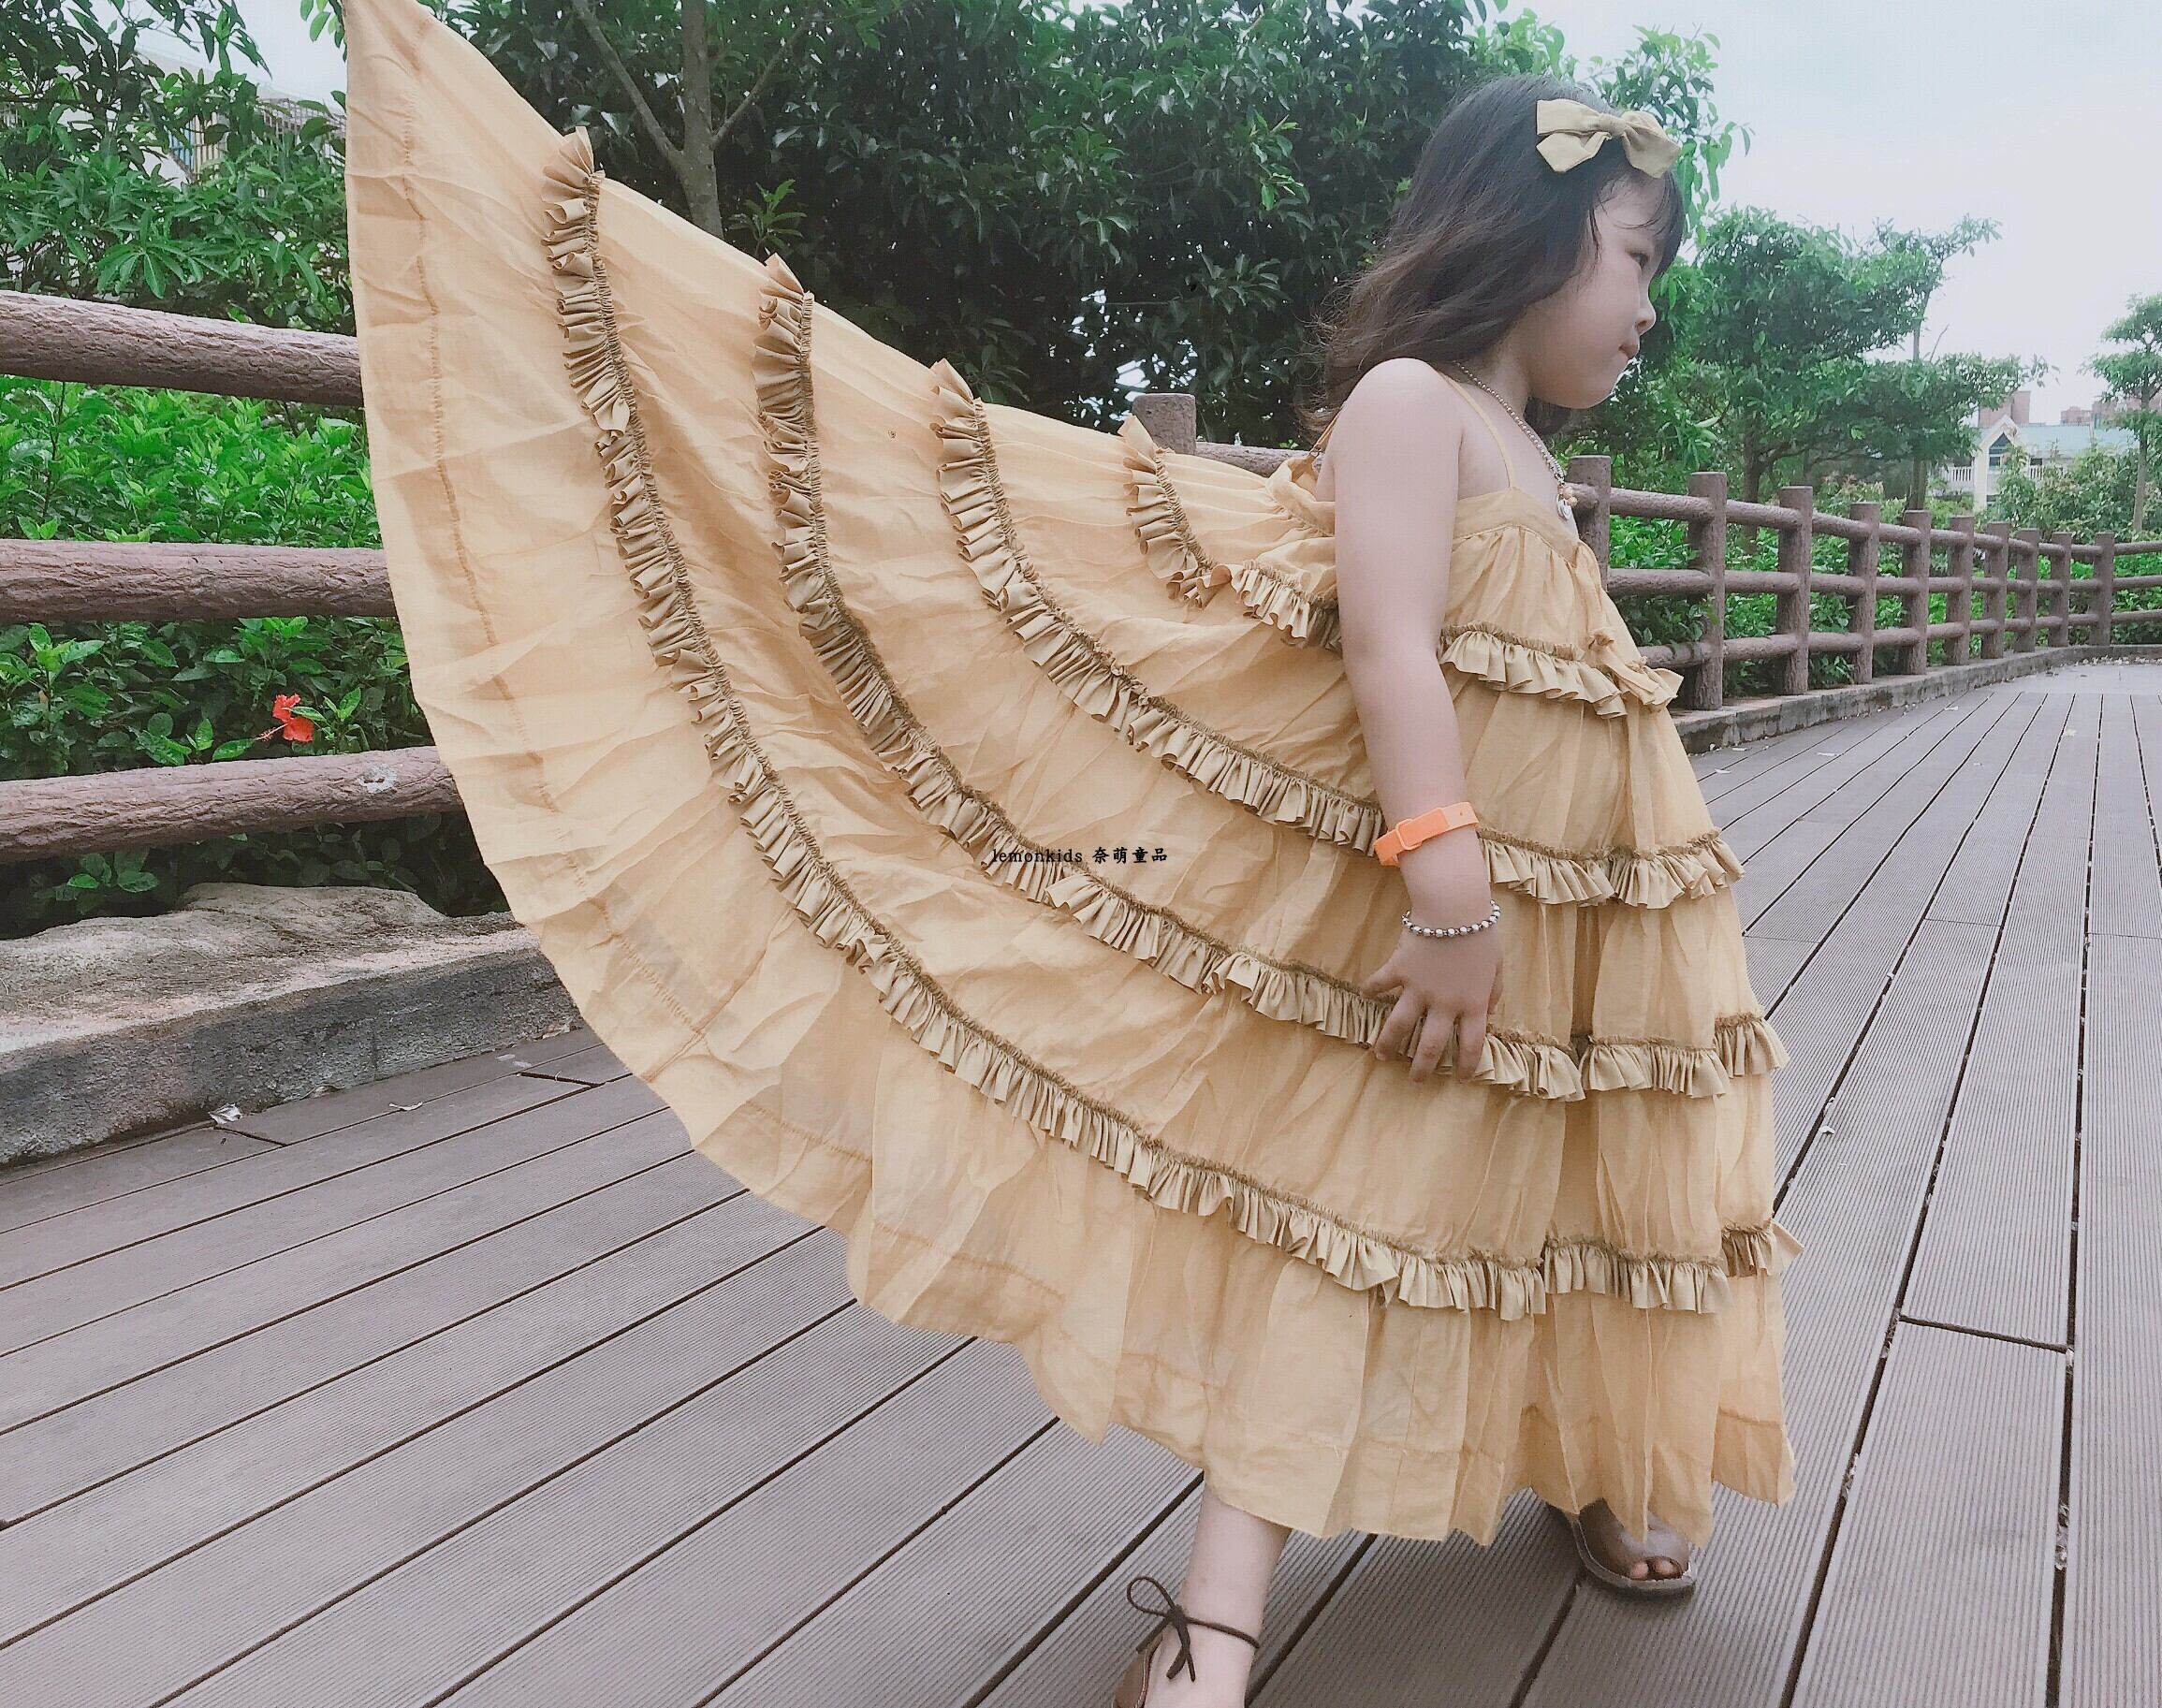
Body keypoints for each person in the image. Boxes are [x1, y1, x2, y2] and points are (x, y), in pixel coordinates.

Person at [338, 6, 1800, 1703]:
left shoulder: (1530, 452)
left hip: (1592, 920)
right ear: (1529, 235)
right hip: (1457, 906)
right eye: (1632, 259)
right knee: (1357, 1214)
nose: (1648, 305)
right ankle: (1221, 1613)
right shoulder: (1414, 404)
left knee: (1582, 1190)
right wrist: (1445, 880)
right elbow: (1390, 645)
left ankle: (1609, 1452)